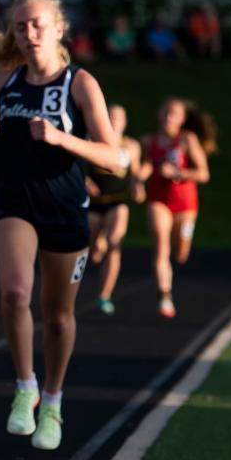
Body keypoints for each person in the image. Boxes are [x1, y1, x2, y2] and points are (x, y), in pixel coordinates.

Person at [0, 0, 120, 450]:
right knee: (15, 292)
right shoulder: (3, 84)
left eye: (37, 23)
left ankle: (54, 398)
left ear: (59, 28)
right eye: (20, 26)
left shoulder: (80, 84)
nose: (28, 33)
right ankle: (26, 388)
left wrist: (65, 140)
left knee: (58, 317)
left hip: (65, 212)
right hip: (13, 205)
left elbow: (114, 158)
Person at [137, 98, 215, 318]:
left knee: (181, 254)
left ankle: (169, 281)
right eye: (165, 112)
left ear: (182, 119)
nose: (168, 117)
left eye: (174, 114)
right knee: (161, 248)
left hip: (186, 205)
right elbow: (146, 165)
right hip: (158, 199)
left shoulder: (187, 140)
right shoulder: (148, 141)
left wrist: (178, 173)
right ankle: (165, 296)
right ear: (159, 114)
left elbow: (204, 174)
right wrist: (138, 181)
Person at [83, 104, 144, 315]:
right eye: (110, 116)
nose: (114, 120)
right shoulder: (93, 140)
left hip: (118, 201)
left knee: (114, 243)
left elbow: (135, 173)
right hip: (94, 203)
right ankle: (97, 241)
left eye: (118, 117)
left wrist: (138, 186)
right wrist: (85, 181)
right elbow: (77, 167)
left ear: (125, 122)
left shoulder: (131, 146)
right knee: (92, 249)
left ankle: (104, 295)